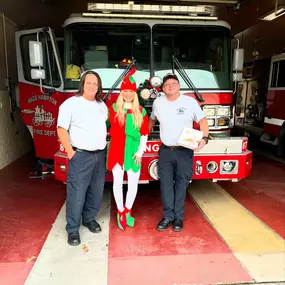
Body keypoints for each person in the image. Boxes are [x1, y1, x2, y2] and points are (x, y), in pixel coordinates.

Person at [149, 73, 209, 232]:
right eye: (167, 84)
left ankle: (178, 218)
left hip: (185, 151)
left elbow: (202, 120)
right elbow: (152, 119)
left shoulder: (189, 102)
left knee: (181, 185)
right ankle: (167, 216)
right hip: (165, 151)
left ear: (179, 86)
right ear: (162, 88)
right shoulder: (158, 102)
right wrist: (142, 136)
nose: (170, 86)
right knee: (166, 185)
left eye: (174, 84)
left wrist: (205, 137)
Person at [57, 71, 108, 246]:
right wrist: (71, 153)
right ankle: (72, 229)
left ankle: (89, 218)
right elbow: (61, 129)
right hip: (81, 156)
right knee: (76, 193)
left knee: (96, 190)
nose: (92, 86)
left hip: (100, 155)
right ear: (82, 84)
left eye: (95, 83)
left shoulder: (102, 105)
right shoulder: (70, 104)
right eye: (89, 83)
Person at [107, 68, 149, 231]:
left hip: (133, 151)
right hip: (117, 149)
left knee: (133, 184)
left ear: (135, 93)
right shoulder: (113, 110)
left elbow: (144, 134)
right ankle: (120, 211)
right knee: (117, 183)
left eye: (131, 92)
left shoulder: (141, 111)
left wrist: (140, 152)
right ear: (121, 93)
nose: (128, 94)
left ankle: (128, 210)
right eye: (125, 91)